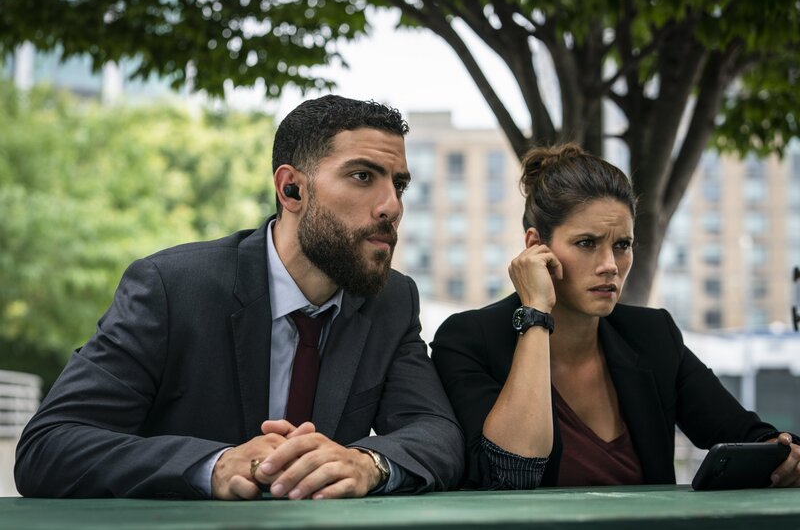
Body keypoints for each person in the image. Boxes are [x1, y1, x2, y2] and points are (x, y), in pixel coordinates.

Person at [15, 95, 464, 500]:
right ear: (291, 189)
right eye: (363, 176)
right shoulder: (171, 288)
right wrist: (212, 466)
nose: (392, 206)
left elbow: (438, 434)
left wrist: (367, 464)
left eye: (398, 185)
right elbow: (48, 446)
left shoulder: (391, 301)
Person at [431, 143, 800, 489]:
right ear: (535, 247)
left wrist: (783, 452)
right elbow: (511, 471)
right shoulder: (469, 340)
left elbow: (749, 435)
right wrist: (535, 314)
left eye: (622, 245)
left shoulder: (651, 334)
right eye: (587, 243)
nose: (610, 265)